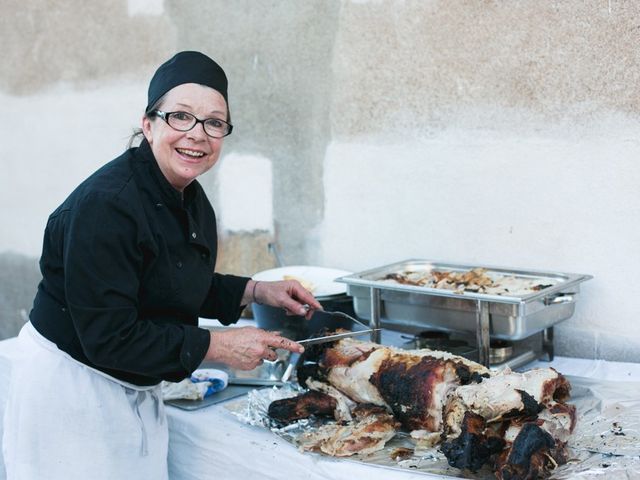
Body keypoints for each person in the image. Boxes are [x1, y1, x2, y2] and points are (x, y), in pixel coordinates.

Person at [2, 51, 322, 479]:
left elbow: (168, 280)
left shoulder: (188, 196)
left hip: (131, 386)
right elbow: (110, 337)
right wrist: (219, 347)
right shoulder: (107, 207)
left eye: (214, 122)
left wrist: (254, 292)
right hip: (75, 394)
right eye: (181, 117)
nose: (198, 134)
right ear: (149, 124)